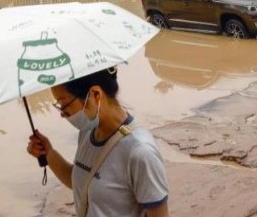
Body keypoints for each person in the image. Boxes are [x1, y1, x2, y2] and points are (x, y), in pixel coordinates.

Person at [27, 67, 169, 217]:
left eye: (65, 104)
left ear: (95, 95)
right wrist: (49, 153)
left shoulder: (140, 152)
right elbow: (81, 182)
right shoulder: (87, 131)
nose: (63, 114)